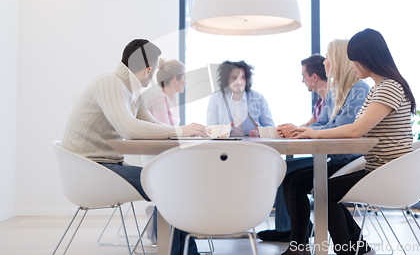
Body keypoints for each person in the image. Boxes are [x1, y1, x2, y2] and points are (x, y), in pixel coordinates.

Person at [61, 39, 206, 255]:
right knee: (170, 182)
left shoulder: (131, 91)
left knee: (173, 180)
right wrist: (180, 131)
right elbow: (130, 129)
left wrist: (183, 130)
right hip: (90, 170)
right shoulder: (109, 83)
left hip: (103, 166)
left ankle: (184, 251)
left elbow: (150, 123)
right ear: (148, 70)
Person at [283, 29, 415, 255]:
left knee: (325, 192)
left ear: (366, 58)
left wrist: (313, 134)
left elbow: (356, 130)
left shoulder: (389, 87)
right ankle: (358, 249)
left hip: (388, 172)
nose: (351, 64)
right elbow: (351, 126)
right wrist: (311, 131)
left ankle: (349, 251)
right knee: (325, 189)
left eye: (353, 59)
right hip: (378, 168)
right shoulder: (378, 89)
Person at [259, 40, 370, 243]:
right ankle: (299, 244)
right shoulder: (334, 93)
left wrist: (303, 130)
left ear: (337, 61)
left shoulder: (360, 90)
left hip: (352, 163)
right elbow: (323, 124)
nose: (325, 62)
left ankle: (346, 246)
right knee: (293, 181)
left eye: (328, 58)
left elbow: (341, 128)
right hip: (336, 161)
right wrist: (298, 130)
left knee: (313, 187)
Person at [207, 60, 274, 136]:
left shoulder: (258, 97)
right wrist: (223, 131)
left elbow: (271, 127)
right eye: (234, 78)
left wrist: (261, 132)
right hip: (225, 145)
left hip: (253, 145)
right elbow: (210, 129)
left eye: (242, 77)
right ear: (227, 80)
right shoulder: (216, 98)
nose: (239, 82)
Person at [147, 58, 185, 125]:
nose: (185, 82)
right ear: (175, 79)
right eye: (184, 78)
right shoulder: (159, 99)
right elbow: (165, 132)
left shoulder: (172, 99)